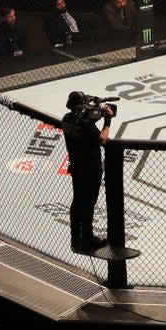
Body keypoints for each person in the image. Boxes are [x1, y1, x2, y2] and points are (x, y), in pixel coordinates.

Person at [61, 91, 115, 253]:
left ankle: (75, 236)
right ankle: (88, 237)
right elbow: (102, 139)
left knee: (77, 200)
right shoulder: (86, 125)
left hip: (76, 165)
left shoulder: (67, 119)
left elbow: (87, 118)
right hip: (90, 168)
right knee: (89, 202)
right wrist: (108, 120)